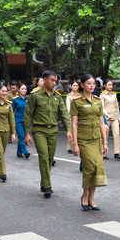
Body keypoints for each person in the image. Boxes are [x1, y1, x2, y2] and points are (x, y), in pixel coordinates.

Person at [25, 70, 73, 198]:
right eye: (52, 80)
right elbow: (28, 114)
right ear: (44, 80)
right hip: (39, 130)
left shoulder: (57, 96)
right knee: (44, 156)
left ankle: (43, 181)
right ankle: (47, 186)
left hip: (53, 131)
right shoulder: (35, 96)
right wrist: (26, 134)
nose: (54, 83)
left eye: (55, 81)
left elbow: (63, 114)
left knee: (50, 158)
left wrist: (68, 130)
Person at [71, 75, 108, 210]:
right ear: (82, 85)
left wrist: (105, 142)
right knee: (89, 168)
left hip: (96, 139)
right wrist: (75, 144)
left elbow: (101, 122)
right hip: (84, 139)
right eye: (88, 83)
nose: (92, 86)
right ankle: (85, 195)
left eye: (93, 84)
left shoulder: (98, 101)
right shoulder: (77, 101)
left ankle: (91, 198)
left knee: (98, 168)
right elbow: (74, 124)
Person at [99, 79, 120, 161]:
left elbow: (117, 106)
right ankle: (103, 152)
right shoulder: (102, 95)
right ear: (105, 85)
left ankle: (117, 152)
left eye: (112, 85)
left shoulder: (114, 95)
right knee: (105, 135)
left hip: (115, 117)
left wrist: (119, 117)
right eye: (109, 85)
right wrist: (107, 115)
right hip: (106, 118)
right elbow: (101, 107)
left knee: (117, 134)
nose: (111, 86)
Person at [12, 83, 31, 159]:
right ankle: (25, 152)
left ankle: (19, 152)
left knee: (22, 137)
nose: (24, 90)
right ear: (19, 90)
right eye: (22, 89)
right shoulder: (15, 100)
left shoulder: (28, 100)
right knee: (22, 136)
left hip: (26, 121)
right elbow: (11, 111)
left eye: (25, 89)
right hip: (18, 121)